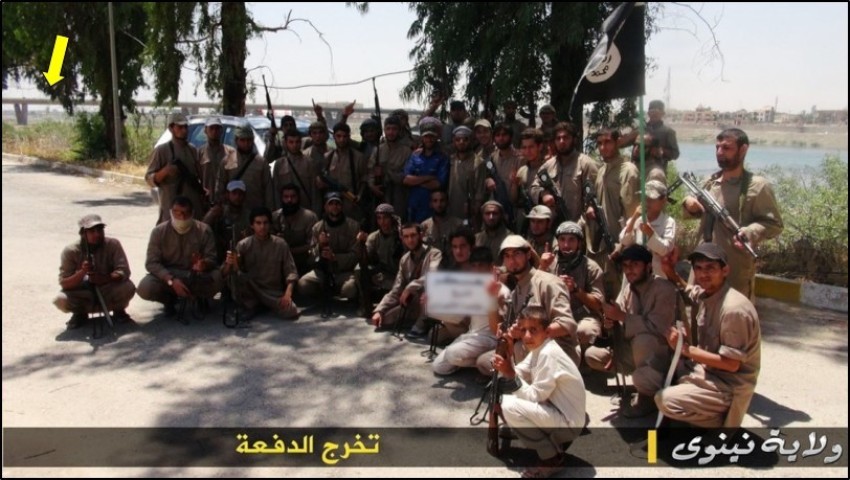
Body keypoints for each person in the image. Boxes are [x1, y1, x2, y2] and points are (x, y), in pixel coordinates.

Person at [652, 243, 761, 428]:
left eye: (710, 268)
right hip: (708, 373)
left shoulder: (733, 309)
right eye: (699, 268)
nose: (703, 274)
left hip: (729, 386)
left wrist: (685, 349)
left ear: (725, 270)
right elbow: (689, 291)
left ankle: (722, 425)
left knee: (665, 399)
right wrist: (669, 271)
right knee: (657, 371)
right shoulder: (710, 293)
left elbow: (731, 364)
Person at [682, 128, 783, 299]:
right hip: (701, 267)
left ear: (743, 149)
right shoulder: (710, 182)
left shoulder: (757, 186)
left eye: (726, 148)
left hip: (732, 270)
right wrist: (688, 204)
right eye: (717, 147)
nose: (720, 152)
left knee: (733, 319)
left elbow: (774, 225)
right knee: (698, 318)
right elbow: (693, 213)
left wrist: (750, 232)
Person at [493, 305, 586, 479]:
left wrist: (509, 373)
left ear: (547, 332)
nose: (527, 336)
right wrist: (508, 353)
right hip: (557, 413)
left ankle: (551, 458)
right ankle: (546, 442)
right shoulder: (539, 349)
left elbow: (534, 395)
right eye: (523, 330)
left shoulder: (548, 354)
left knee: (510, 406)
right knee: (509, 395)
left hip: (568, 423)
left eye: (533, 330)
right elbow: (519, 372)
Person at [584, 244, 677, 418]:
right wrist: (610, 322)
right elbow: (618, 316)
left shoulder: (663, 288)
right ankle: (643, 383)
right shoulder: (628, 289)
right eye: (626, 266)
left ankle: (647, 397)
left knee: (644, 340)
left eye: (634, 265)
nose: (629, 270)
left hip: (660, 356)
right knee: (593, 354)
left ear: (648, 267)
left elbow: (659, 328)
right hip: (633, 351)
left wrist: (622, 317)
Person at [480, 236, 577, 370]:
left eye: (517, 254)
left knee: (516, 351)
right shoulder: (516, 292)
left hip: (558, 351)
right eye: (507, 256)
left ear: (528, 254)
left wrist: (525, 332)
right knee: (485, 362)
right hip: (530, 350)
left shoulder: (548, 283)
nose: (512, 260)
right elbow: (500, 328)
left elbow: (567, 324)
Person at [137, 196, 222, 315]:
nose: (181, 217)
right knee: (145, 287)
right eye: (177, 213)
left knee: (218, 277)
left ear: (192, 213)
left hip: (194, 275)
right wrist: (171, 280)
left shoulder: (204, 230)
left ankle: (199, 297)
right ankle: (169, 300)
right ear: (171, 212)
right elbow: (151, 263)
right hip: (169, 275)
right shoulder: (159, 232)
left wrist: (204, 264)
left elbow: (212, 258)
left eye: (185, 213)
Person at [432, 246, 508, 376]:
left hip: (490, 339)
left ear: (491, 267)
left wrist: (492, 299)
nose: (477, 270)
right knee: (439, 367)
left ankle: (482, 362)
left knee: (452, 353)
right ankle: (474, 363)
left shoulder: (502, 291)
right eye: (474, 266)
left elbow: (498, 330)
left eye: (481, 265)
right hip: (472, 336)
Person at [54, 214, 136, 329]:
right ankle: (79, 313)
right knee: (60, 299)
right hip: (83, 291)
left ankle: (119, 310)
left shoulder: (113, 244)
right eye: (92, 231)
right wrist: (82, 272)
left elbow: (124, 271)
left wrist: (104, 278)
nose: (97, 234)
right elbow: (64, 283)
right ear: (83, 233)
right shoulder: (70, 251)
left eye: (100, 230)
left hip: (107, 288)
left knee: (128, 286)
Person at [540, 222, 605, 359]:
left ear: (579, 243)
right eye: (562, 240)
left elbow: (598, 304)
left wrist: (575, 289)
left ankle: (585, 364)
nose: (566, 245)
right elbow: (532, 294)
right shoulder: (549, 264)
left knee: (585, 331)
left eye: (571, 240)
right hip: (556, 317)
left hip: (583, 316)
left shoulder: (591, 267)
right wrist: (542, 268)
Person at [223, 207, 299, 320]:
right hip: (251, 290)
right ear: (252, 225)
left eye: (265, 223)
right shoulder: (243, 245)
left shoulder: (280, 244)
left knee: (291, 311)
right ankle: (254, 305)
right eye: (258, 223)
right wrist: (230, 263)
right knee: (236, 279)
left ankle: (262, 305)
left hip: (272, 292)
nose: (262, 227)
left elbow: (291, 272)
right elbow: (228, 272)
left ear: (270, 224)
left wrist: (288, 294)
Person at [590, 127, 639, 298]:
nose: (603, 147)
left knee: (624, 295)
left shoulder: (628, 171)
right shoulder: (602, 170)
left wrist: (623, 245)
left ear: (618, 142)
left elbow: (633, 214)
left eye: (608, 142)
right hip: (604, 243)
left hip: (620, 245)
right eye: (600, 144)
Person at [371, 223, 442, 333]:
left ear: (421, 235)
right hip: (413, 303)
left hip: (429, 300)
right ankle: (415, 320)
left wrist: (410, 286)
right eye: (406, 237)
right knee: (384, 320)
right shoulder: (404, 259)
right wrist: (380, 310)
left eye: (413, 235)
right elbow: (396, 289)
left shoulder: (434, 254)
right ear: (402, 238)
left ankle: (422, 324)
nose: (410, 240)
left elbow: (433, 276)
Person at [529, 122, 598, 227]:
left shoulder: (586, 164)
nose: (562, 141)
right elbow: (534, 187)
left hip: (579, 226)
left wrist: (577, 227)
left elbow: (593, 200)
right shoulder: (548, 165)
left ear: (574, 140)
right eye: (558, 138)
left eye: (566, 138)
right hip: (552, 226)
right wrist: (543, 194)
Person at [296, 192, 361, 302]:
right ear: (325, 207)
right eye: (331, 204)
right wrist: (320, 246)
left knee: (349, 290)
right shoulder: (317, 227)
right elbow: (310, 258)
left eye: (337, 204)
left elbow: (356, 255)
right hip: (322, 271)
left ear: (342, 206)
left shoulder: (353, 226)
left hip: (344, 272)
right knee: (303, 285)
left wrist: (335, 257)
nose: (334, 207)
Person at [146, 113, 206, 223]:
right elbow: (149, 179)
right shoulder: (162, 150)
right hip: (171, 210)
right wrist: (165, 172)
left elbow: (199, 177)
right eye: (180, 127)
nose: (184, 130)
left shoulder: (192, 150)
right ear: (171, 128)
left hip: (192, 210)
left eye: (185, 127)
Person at [620, 180, 676, 279]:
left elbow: (665, 250)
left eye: (652, 199)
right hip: (634, 276)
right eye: (645, 198)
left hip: (656, 277)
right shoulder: (638, 219)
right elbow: (624, 240)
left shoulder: (668, 222)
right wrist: (634, 218)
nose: (647, 202)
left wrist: (651, 234)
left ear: (663, 201)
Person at [356, 203, 403, 317]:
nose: (383, 222)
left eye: (386, 217)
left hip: (399, 275)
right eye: (379, 218)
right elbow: (364, 260)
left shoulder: (401, 235)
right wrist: (361, 243)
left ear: (392, 218)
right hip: (382, 273)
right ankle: (366, 306)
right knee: (358, 270)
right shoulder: (374, 237)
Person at [216, 126, 274, 212]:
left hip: (255, 210)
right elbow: (220, 187)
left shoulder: (261, 163)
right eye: (242, 140)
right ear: (236, 141)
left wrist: (269, 211)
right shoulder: (227, 161)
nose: (246, 144)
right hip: (233, 212)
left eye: (249, 140)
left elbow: (268, 190)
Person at [620, 99, 680, 184]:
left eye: (658, 111)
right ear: (648, 113)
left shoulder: (668, 132)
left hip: (655, 174)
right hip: (635, 173)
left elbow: (675, 154)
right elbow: (622, 144)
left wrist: (661, 151)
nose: (654, 113)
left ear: (663, 113)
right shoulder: (639, 130)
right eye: (652, 111)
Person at [320, 123, 368, 222]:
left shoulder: (358, 157)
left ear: (349, 137)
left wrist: (359, 196)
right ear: (334, 137)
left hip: (351, 204)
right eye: (338, 136)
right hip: (332, 204)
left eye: (345, 136)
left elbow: (364, 179)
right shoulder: (327, 157)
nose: (342, 139)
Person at [402, 123, 450, 223]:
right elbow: (406, 180)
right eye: (426, 136)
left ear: (436, 138)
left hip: (432, 206)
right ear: (422, 138)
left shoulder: (442, 158)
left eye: (432, 136)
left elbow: (438, 184)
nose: (429, 139)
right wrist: (429, 177)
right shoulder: (415, 156)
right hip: (414, 204)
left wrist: (416, 180)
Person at [369, 115, 412, 222]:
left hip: (399, 194)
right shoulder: (378, 150)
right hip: (381, 193)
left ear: (399, 131)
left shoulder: (406, 151)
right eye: (388, 129)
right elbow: (370, 171)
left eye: (394, 129)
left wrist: (387, 171)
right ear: (384, 130)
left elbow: (406, 176)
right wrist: (372, 186)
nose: (391, 132)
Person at [271, 183, 319, 276]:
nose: (289, 200)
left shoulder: (310, 217)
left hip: (305, 262)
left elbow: (313, 245)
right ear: (281, 198)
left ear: (298, 198)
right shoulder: (275, 217)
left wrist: (290, 250)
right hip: (280, 262)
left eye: (293, 196)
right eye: (286, 197)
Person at [272, 128, 321, 214]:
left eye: (297, 142)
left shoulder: (309, 162)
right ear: (286, 143)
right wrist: (278, 211)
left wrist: (315, 212)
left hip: (305, 209)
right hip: (285, 210)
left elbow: (315, 192)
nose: (294, 145)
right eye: (291, 142)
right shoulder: (279, 164)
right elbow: (276, 191)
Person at [203, 179, 252, 265]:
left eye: (240, 194)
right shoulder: (219, 212)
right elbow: (202, 229)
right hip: (221, 257)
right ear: (227, 194)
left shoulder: (249, 215)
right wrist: (211, 215)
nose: (237, 197)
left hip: (243, 257)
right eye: (234, 193)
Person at [515, 128, 547, 234]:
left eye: (531, 147)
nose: (527, 151)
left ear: (540, 146)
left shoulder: (549, 169)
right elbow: (514, 199)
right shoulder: (522, 171)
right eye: (524, 147)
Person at [199, 116, 236, 205]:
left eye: (217, 128)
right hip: (205, 201)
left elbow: (234, 177)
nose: (214, 131)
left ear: (221, 131)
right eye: (211, 128)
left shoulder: (230, 152)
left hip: (225, 202)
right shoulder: (199, 152)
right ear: (205, 130)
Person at [446, 125, 479, 222]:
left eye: (465, 139)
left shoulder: (478, 162)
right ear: (453, 141)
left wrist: (475, 209)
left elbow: (480, 192)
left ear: (471, 141)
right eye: (458, 139)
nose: (461, 142)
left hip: (469, 211)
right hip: (451, 209)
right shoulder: (451, 159)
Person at [420, 189, 464, 258]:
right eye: (435, 201)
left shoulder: (458, 224)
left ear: (447, 203)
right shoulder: (424, 225)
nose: (439, 204)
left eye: (442, 201)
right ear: (430, 204)